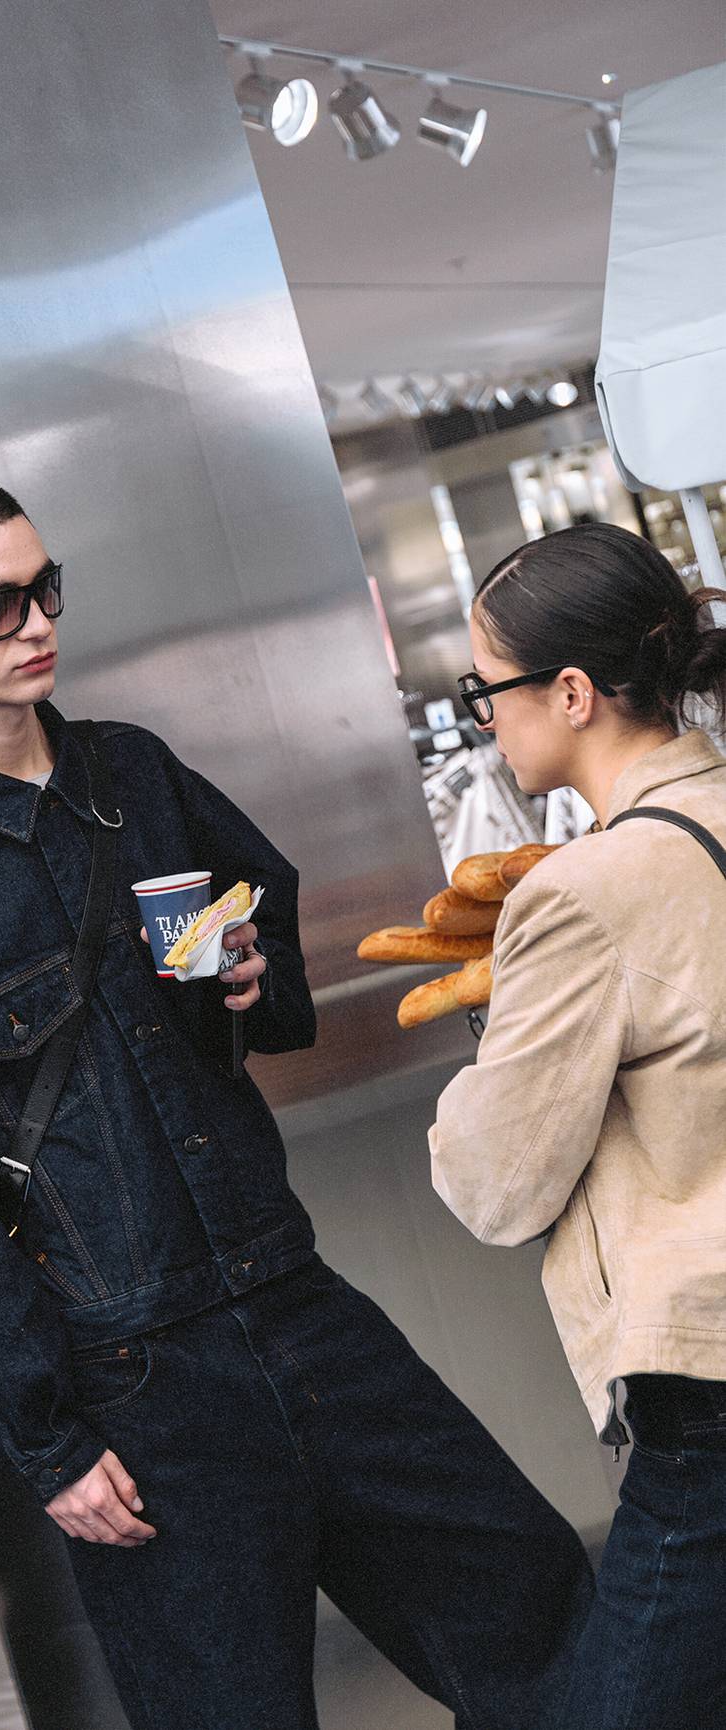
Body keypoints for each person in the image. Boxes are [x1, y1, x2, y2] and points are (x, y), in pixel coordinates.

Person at [0, 470, 594, 1730]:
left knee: (542, 1615)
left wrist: (247, 976)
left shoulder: (131, 774)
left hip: (291, 1297)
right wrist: (45, 1439)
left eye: (45, 586)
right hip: (135, 1381)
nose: (39, 623)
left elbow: (265, 925)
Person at [429, 522, 726, 1729]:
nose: (482, 719)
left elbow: (492, 1188)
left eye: (484, 688)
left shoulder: (579, 895)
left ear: (571, 691)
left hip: (705, 1386)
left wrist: (499, 1021)